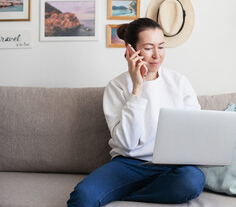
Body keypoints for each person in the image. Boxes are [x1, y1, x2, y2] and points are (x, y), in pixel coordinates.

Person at [67, 18, 205, 207]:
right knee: (82, 197)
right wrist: (137, 88)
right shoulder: (117, 86)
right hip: (128, 164)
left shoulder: (179, 82)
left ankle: (127, 196)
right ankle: (134, 190)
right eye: (148, 48)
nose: (157, 55)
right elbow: (127, 144)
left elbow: (195, 130)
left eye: (161, 47)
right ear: (131, 50)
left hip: (171, 166)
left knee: (192, 181)